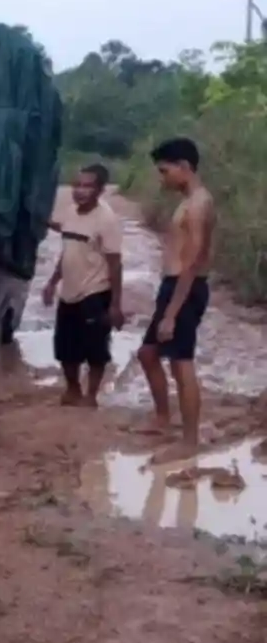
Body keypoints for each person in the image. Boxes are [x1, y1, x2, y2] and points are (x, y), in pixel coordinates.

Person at [136, 137, 215, 460]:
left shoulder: (199, 204)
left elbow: (194, 261)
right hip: (174, 286)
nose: (162, 178)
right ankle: (163, 419)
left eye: (164, 171)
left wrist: (172, 312)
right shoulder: (189, 200)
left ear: (184, 167)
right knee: (148, 353)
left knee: (182, 363)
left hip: (186, 288)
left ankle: (189, 442)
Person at [41, 164, 125, 407]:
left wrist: (116, 305)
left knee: (96, 350)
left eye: (87, 186)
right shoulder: (70, 212)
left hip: (95, 293)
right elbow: (68, 251)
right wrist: (51, 283)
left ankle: (91, 396)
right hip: (68, 293)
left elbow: (116, 264)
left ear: (100, 190)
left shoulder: (106, 219)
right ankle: (73, 389)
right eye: (77, 185)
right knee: (65, 347)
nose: (80, 190)